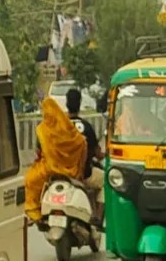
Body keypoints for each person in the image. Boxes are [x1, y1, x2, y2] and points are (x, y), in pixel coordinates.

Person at [24, 97, 87, 224]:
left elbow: (38, 152)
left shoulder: (43, 130)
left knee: (30, 179)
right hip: (70, 168)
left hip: (49, 168)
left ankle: (34, 210)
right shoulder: (66, 126)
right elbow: (81, 142)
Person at [66, 88, 104, 226]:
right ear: (80, 103)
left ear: (66, 103)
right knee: (105, 180)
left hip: (61, 173)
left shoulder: (59, 125)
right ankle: (98, 216)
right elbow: (98, 154)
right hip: (84, 175)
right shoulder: (86, 127)